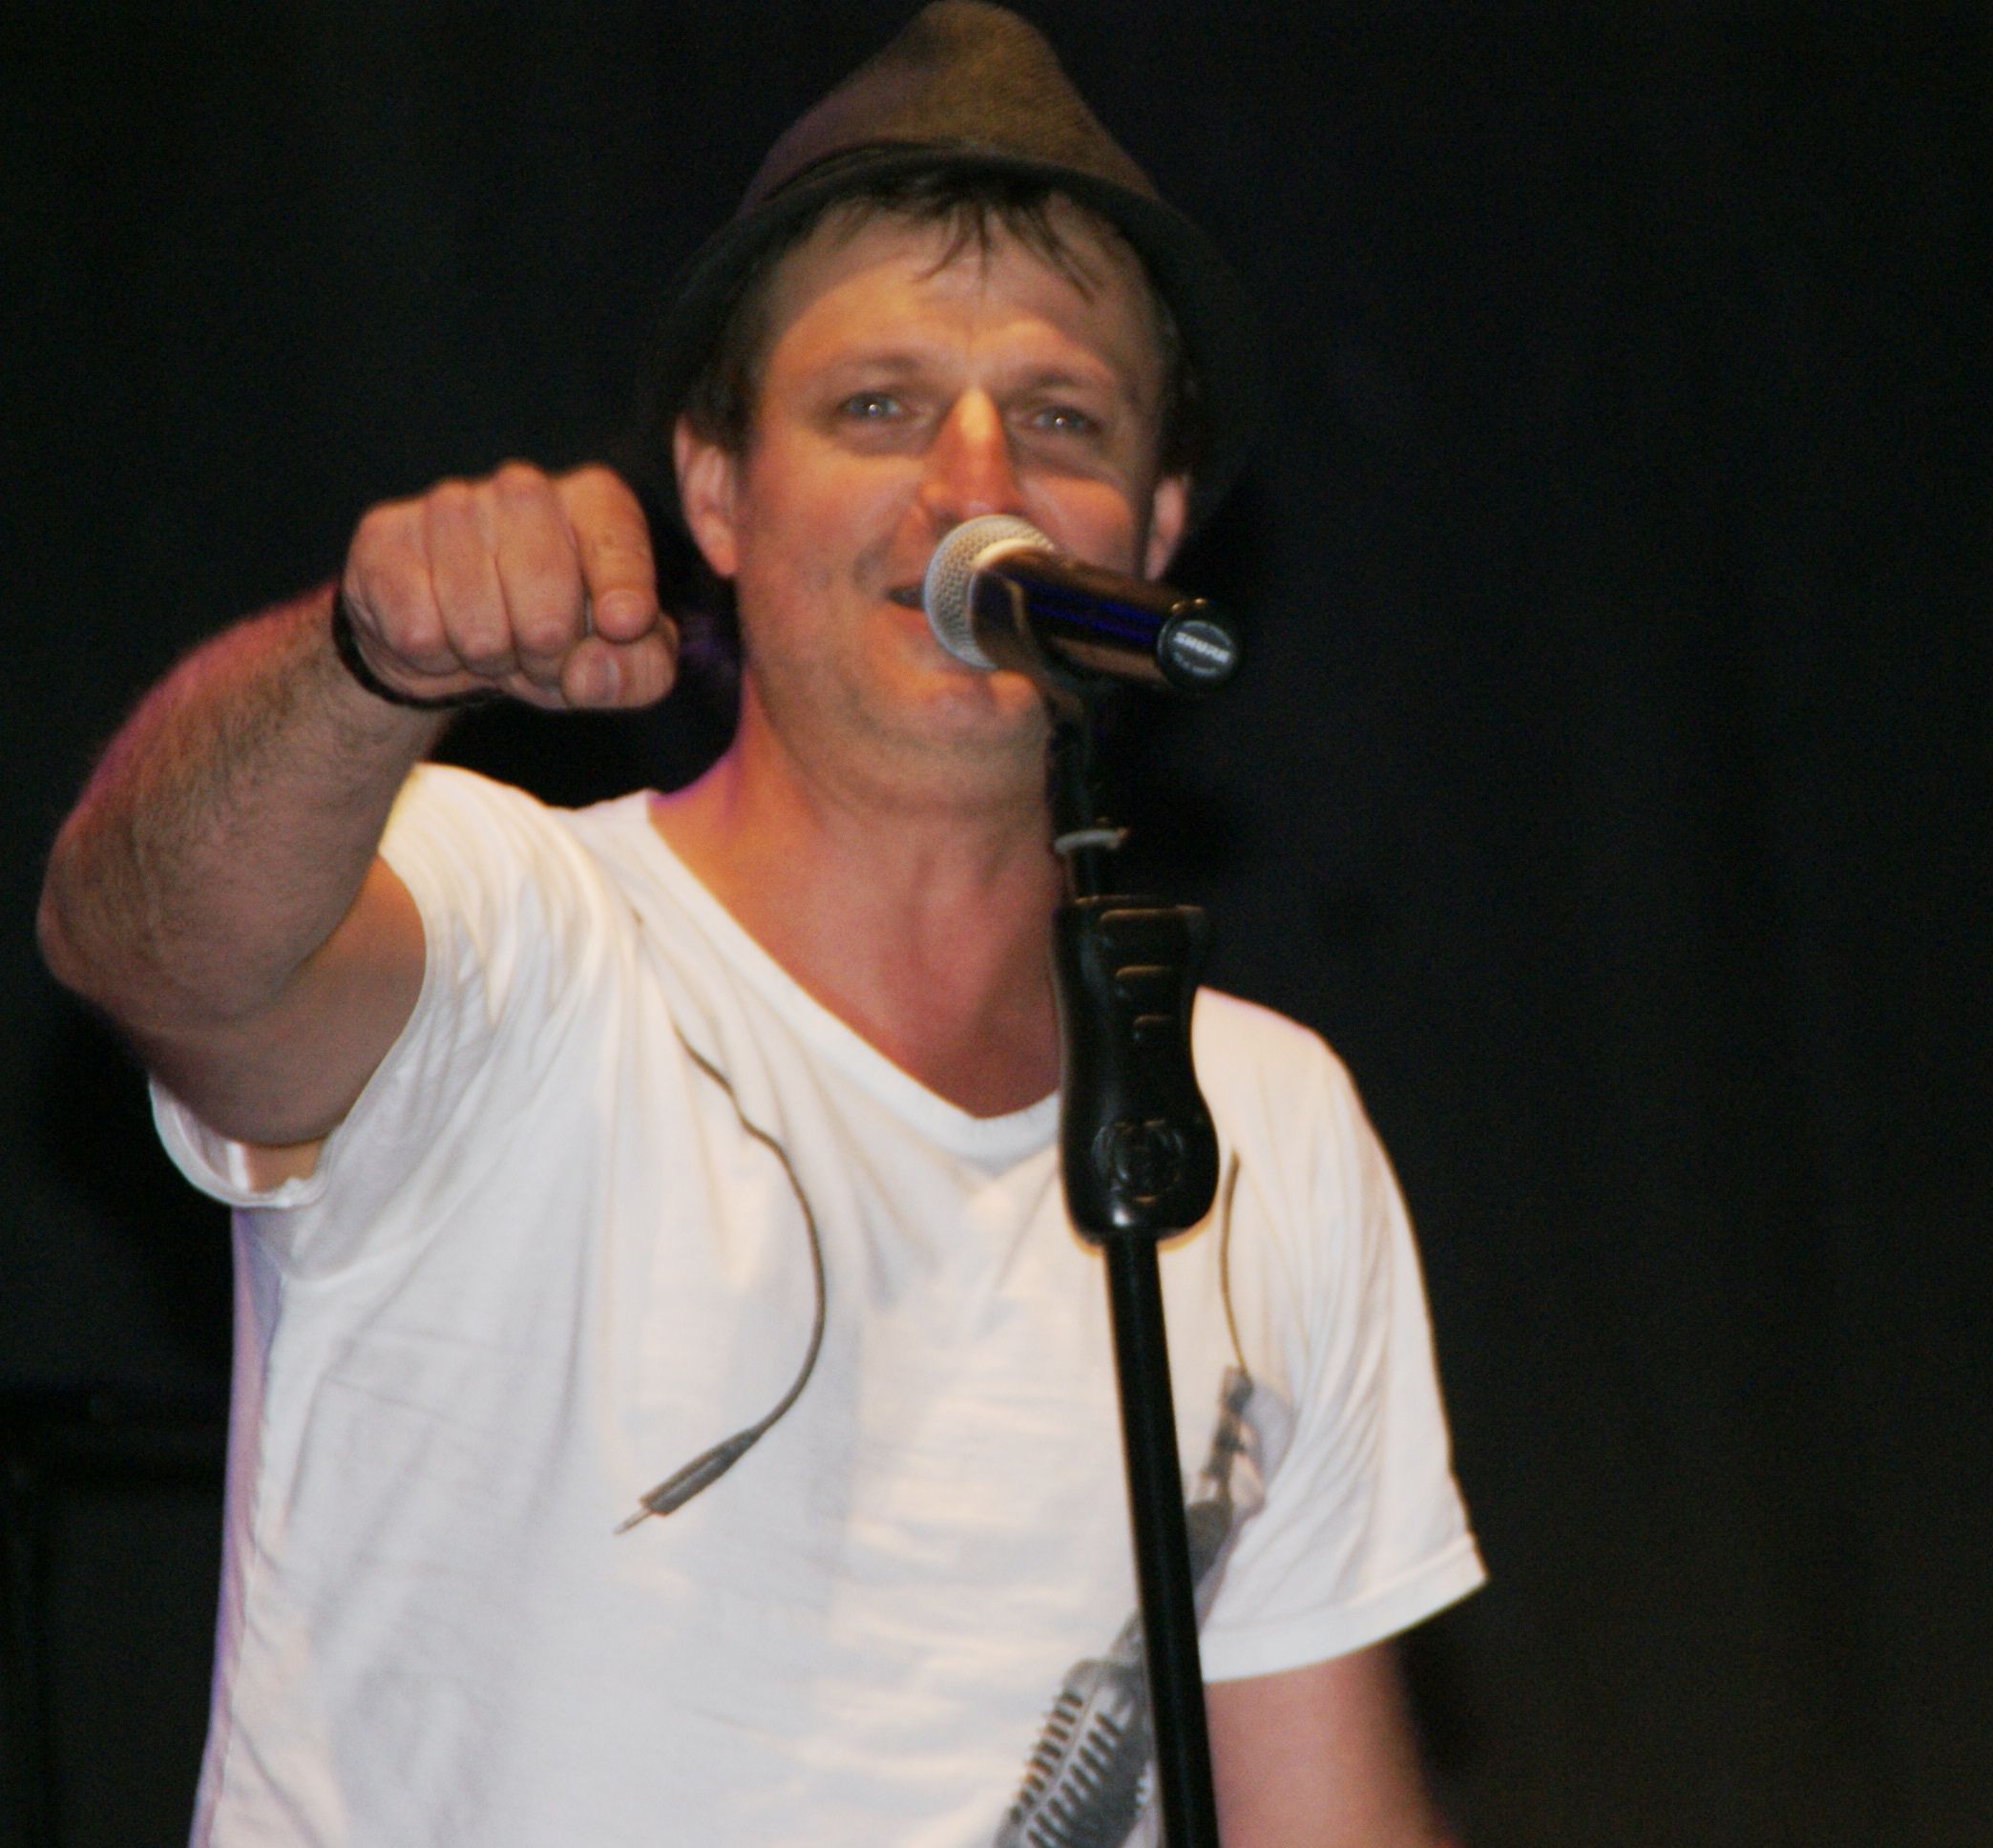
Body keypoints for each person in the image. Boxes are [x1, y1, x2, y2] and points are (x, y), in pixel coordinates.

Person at [39, 7, 1482, 1844]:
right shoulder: (508, 929)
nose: (977, 484)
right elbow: (143, 944)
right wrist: (362, 670)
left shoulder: (1260, 1123)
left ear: (1155, 529)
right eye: (878, 407)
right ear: (715, 489)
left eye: (1060, 418)